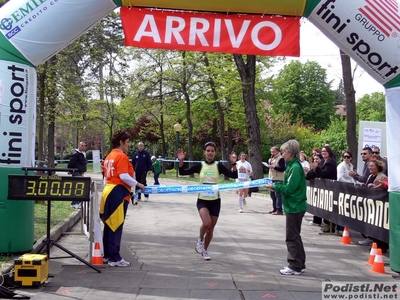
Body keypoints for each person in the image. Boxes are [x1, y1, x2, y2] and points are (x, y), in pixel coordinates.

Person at [177, 142, 238, 261]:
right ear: (204, 152)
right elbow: (182, 172)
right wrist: (181, 161)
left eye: (212, 151)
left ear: (215, 153)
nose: (210, 153)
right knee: (206, 223)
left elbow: (234, 175)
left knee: (211, 229)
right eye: (208, 151)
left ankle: (205, 250)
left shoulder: (218, 166)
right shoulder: (200, 165)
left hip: (215, 201)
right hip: (202, 200)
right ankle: (200, 239)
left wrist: (234, 163)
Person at [100, 129, 145, 267]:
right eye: (127, 143)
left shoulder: (109, 156)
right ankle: (115, 257)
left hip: (108, 190)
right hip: (118, 191)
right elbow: (123, 176)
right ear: (121, 142)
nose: (128, 145)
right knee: (116, 224)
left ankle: (108, 254)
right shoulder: (122, 156)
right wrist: (138, 184)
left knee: (109, 224)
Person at [266, 139, 307, 275]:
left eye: (284, 151)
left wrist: (275, 186)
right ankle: (299, 263)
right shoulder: (291, 166)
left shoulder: (295, 168)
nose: (282, 154)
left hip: (295, 206)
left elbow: (289, 188)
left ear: (290, 153)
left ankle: (294, 265)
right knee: (295, 235)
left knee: (291, 236)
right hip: (293, 205)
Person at [68, 141, 88, 209]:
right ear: (78, 145)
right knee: (77, 187)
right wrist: (70, 170)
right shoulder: (75, 153)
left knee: (80, 187)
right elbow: (71, 162)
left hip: (80, 172)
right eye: (81, 145)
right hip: (76, 172)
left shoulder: (83, 154)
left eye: (84, 146)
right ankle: (75, 203)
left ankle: (78, 202)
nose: (83, 147)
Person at [267, 146, 286, 215]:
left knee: (278, 195)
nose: (272, 153)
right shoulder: (271, 159)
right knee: (272, 195)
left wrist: (274, 167)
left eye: (273, 151)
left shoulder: (281, 158)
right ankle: (275, 208)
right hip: (271, 178)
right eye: (271, 151)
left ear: (277, 151)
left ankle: (279, 209)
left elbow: (282, 168)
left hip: (278, 178)